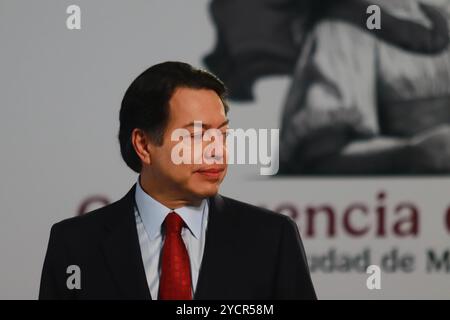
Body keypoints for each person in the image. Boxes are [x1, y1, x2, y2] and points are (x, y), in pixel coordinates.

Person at [39, 61, 316, 300]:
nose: (217, 150)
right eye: (195, 135)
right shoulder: (74, 244)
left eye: (222, 134)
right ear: (144, 144)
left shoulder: (272, 238)